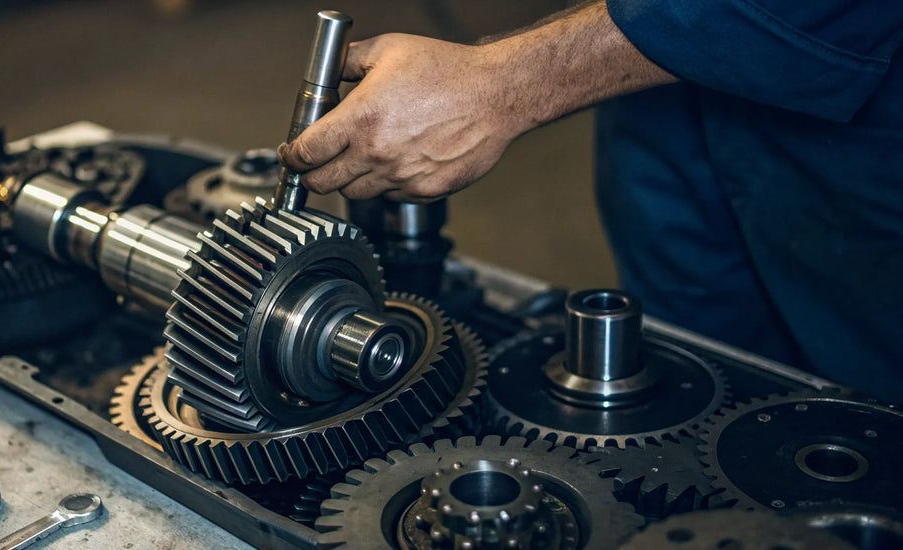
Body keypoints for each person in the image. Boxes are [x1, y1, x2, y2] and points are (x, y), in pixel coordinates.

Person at [277, 1, 903, 403]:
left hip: (859, 121)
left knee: (865, 413)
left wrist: (505, 79)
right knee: (694, 382)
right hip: (659, 96)